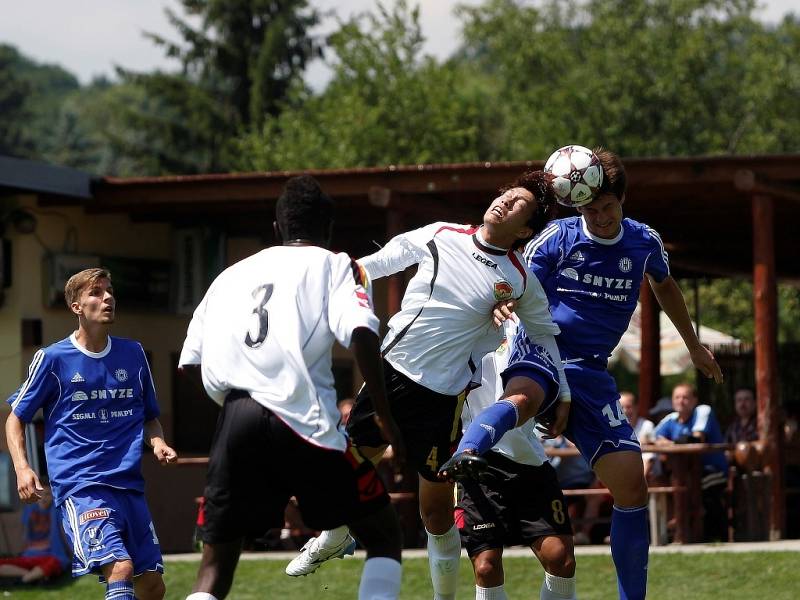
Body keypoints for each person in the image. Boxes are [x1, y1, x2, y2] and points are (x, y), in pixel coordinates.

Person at [289, 170, 570, 600]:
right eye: (505, 196)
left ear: (525, 230)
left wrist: (562, 392)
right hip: (391, 375)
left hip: (442, 401)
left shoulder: (517, 278)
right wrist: (351, 273)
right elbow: (389, 257)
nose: (504, 203)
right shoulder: (443, 234)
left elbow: (546, 333)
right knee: (349, 471)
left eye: (518, 206)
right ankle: (334, 538)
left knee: (435, 516)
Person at [456, 147, 723, 600]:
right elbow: (514, 275)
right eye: (590, 209)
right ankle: (465, 453)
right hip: (541, 349)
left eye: (607, 208)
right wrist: (500, 298)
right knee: (523, 401)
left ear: (623, 202)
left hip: (591, 373)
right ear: (576, 205)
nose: (599, 217)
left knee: (632, 485)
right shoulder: (557, 238)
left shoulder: (643, 242)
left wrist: (693, 344)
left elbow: (665, 285)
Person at [178, 175, 406, 600]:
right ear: (330, 229)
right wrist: (384, 415)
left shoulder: (229, 275)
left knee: (214, 567)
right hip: (305, 422)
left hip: (236, 418)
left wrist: (236, 414)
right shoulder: (335, 263)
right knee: (382, 535)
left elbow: (189, 362)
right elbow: (361, 330)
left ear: (277, 228)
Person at [5, 267, 177, 600]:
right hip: (81, 485)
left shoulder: (134, 354)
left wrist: (157, 442)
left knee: (152, 586)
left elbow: (149, 417)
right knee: (120, 568)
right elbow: (15, 418)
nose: (108, 297)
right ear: (77, 307)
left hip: (128, 486)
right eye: (96, 293)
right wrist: (23, 468)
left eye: (110, 290)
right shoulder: (52, 359)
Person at [455, 318, 578, 599]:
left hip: (528, 459)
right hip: (476, 462)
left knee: (561, 558)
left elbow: (552, 351)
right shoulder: (456, 322)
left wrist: (565, 395)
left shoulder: (524, 319)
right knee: (486, 567)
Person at [654, 383, 728, 541]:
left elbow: (695, 438)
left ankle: (703, 533)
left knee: (692, 489)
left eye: (685, 397)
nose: (681, 401)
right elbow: (651, 438)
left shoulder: (702, 411)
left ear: (695, 400)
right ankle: (678, 529)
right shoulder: (671, 419)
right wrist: (670, 442)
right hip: (683, 472)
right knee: (665, 483)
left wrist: (669, 443)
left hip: (713, 470)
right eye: (677, 397)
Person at [0, 482, 69, 584]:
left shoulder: (56, 510)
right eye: (40, 494)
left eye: (47, 494)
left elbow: (64, 533)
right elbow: (24, 534)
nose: (43, 498)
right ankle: (32, 576)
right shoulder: (29, 509)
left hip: (49, 555)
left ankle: (24, 579)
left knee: (53, 563)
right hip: (30, 555)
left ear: (52, 496)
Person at [618, 392, 658, 482]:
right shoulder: (615, 429)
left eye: (628, 407)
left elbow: (649, 458)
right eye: (621, 408)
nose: (625, 411)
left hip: (646, 477)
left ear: (636, 407)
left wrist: (638, 483)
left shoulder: (647, 425)